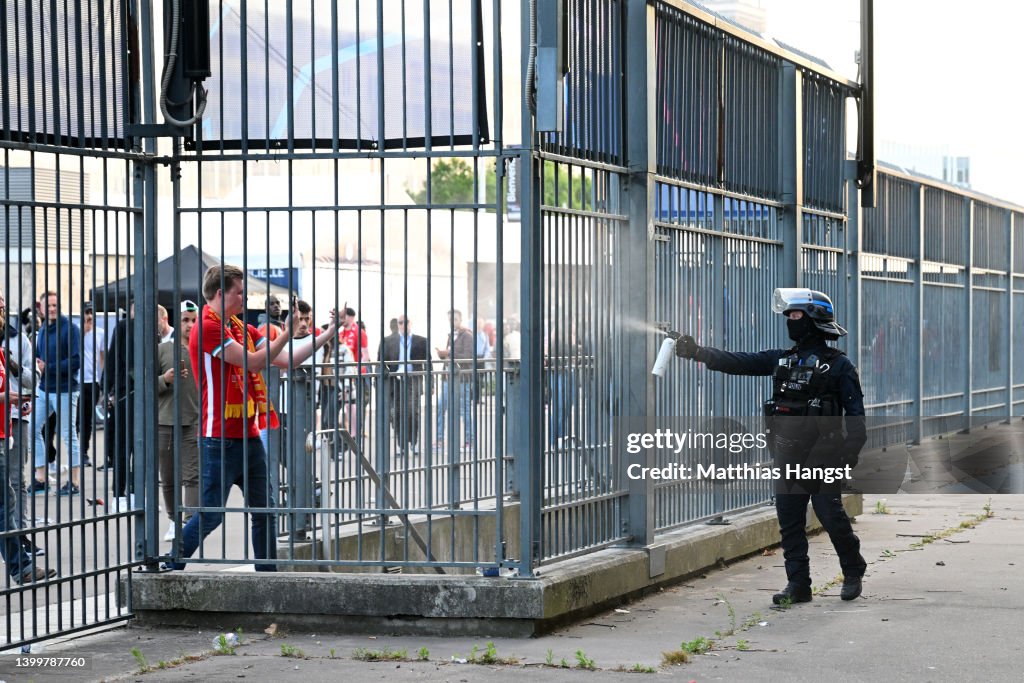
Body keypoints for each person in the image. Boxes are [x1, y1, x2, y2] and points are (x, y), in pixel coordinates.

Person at [675, 288, 867, 604]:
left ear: (813, 319)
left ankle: (853, 568)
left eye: (794, 315)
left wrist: (849, 454)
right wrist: (698, 352)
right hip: (787, 452)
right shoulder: (782, 359)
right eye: (788, 316)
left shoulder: (839, 365)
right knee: (789, 521)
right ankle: (798, 585)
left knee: (830, 516)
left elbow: (856, 416)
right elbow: (739, 361)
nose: (789, 321)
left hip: (822, 456)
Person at [166, 265, 335, 571]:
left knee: (265, 509)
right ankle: (172, 561)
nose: (244, 297)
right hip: (218, 439)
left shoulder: (239, 327)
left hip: (249, 435)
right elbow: (256, 362)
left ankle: (267, 574)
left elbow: (288, 360)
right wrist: (285, 333)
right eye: (240, 291)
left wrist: (327, 333)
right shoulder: (208, 327)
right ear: (221, 293)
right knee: (212, 513)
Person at [0, 309, 56, 584]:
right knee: (4, 495)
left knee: (12, 485)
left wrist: (13, 367)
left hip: (12, 419)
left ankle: (19, 543)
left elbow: (33, 379)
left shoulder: (17, 340)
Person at [155, 300, 200, 542]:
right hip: (165, 421)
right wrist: (165, 379)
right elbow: (146, 384)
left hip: (193, 420)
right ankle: (174, 520)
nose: (190, 325)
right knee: (169, 477)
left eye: (194, 320)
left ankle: (189, 523)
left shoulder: (203, 349)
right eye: (185, 320)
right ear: (177, 321)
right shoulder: (163, 350)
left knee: (192, 475)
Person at [32, 292, 82, 496]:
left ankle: (75, 482)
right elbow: (38, 357)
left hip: (65, 389)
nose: (52, 308)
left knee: (68, 435)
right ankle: (41, 478)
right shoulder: (42, 329)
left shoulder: (70, 329)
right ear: (41, 309)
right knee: (32, 429)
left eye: (55, 304)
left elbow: (76, 361)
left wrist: (48, 367)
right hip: (44, 389)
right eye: (48, 306)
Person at [380, 315, 429, 455]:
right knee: (396, 413)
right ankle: (401, 445)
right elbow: (380, 363)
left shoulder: (421, 341)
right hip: (395, 380)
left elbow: (428, 363)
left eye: (405, 322)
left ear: (410, 323)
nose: (403, 325)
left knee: (412, 412)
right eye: (400, 323)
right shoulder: (388, 341)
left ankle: (413, 442)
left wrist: (430, 385)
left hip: (412, 379)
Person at [103, 299, 135, 503]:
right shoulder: (124, 327)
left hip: (142, 391)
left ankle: (133, 492)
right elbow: (113, 357)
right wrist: (107, 390)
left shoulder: (152, 329)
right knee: (124, 444)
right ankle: (119, 493)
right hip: (126, 391)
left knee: (139, 446)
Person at [435, 309, 475, 449]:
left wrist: (449, 353)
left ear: (460, 320)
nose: (452, 322)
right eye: (450, 320)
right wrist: (443, 355)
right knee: (441, 406)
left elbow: (468, 357)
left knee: (464, 410)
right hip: (447, 378)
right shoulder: (451, 335)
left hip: (462, 379)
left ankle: (469, 441)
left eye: (454, 319)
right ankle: (439, 440)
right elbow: (450, 355)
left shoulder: (467, 336)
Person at [77, 303, 106, 467]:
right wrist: (84, 330)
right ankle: (76, 452)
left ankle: (84, 452)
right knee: (77, 419)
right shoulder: (77, 332)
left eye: (91, 313)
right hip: (77, 382)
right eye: (87, 313)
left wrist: (101, 379)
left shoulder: (100, 333)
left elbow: (101, 357)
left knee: (87, 419)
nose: (89, 317)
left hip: (92, 382)